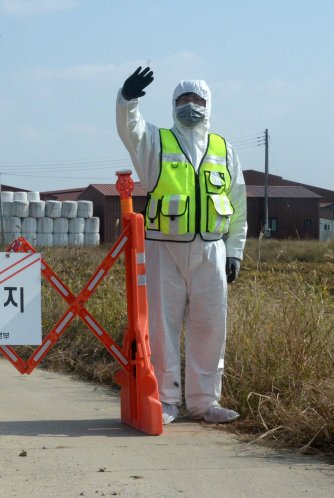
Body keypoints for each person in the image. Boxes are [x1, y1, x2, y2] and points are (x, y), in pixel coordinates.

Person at [115, 66, 247, 424]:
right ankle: (166, 400)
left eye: (198, 100)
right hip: (164, 248)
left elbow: (237, 204)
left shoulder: (224, 150)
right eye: (183, 100)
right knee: (162, 325)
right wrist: (128, 98)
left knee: (210, 326)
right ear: (173, 105)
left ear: (209, 105)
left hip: (211, 250)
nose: (191, 106)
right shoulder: (157, 142)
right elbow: (131, 130)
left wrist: (234, 250)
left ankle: (205, 403)